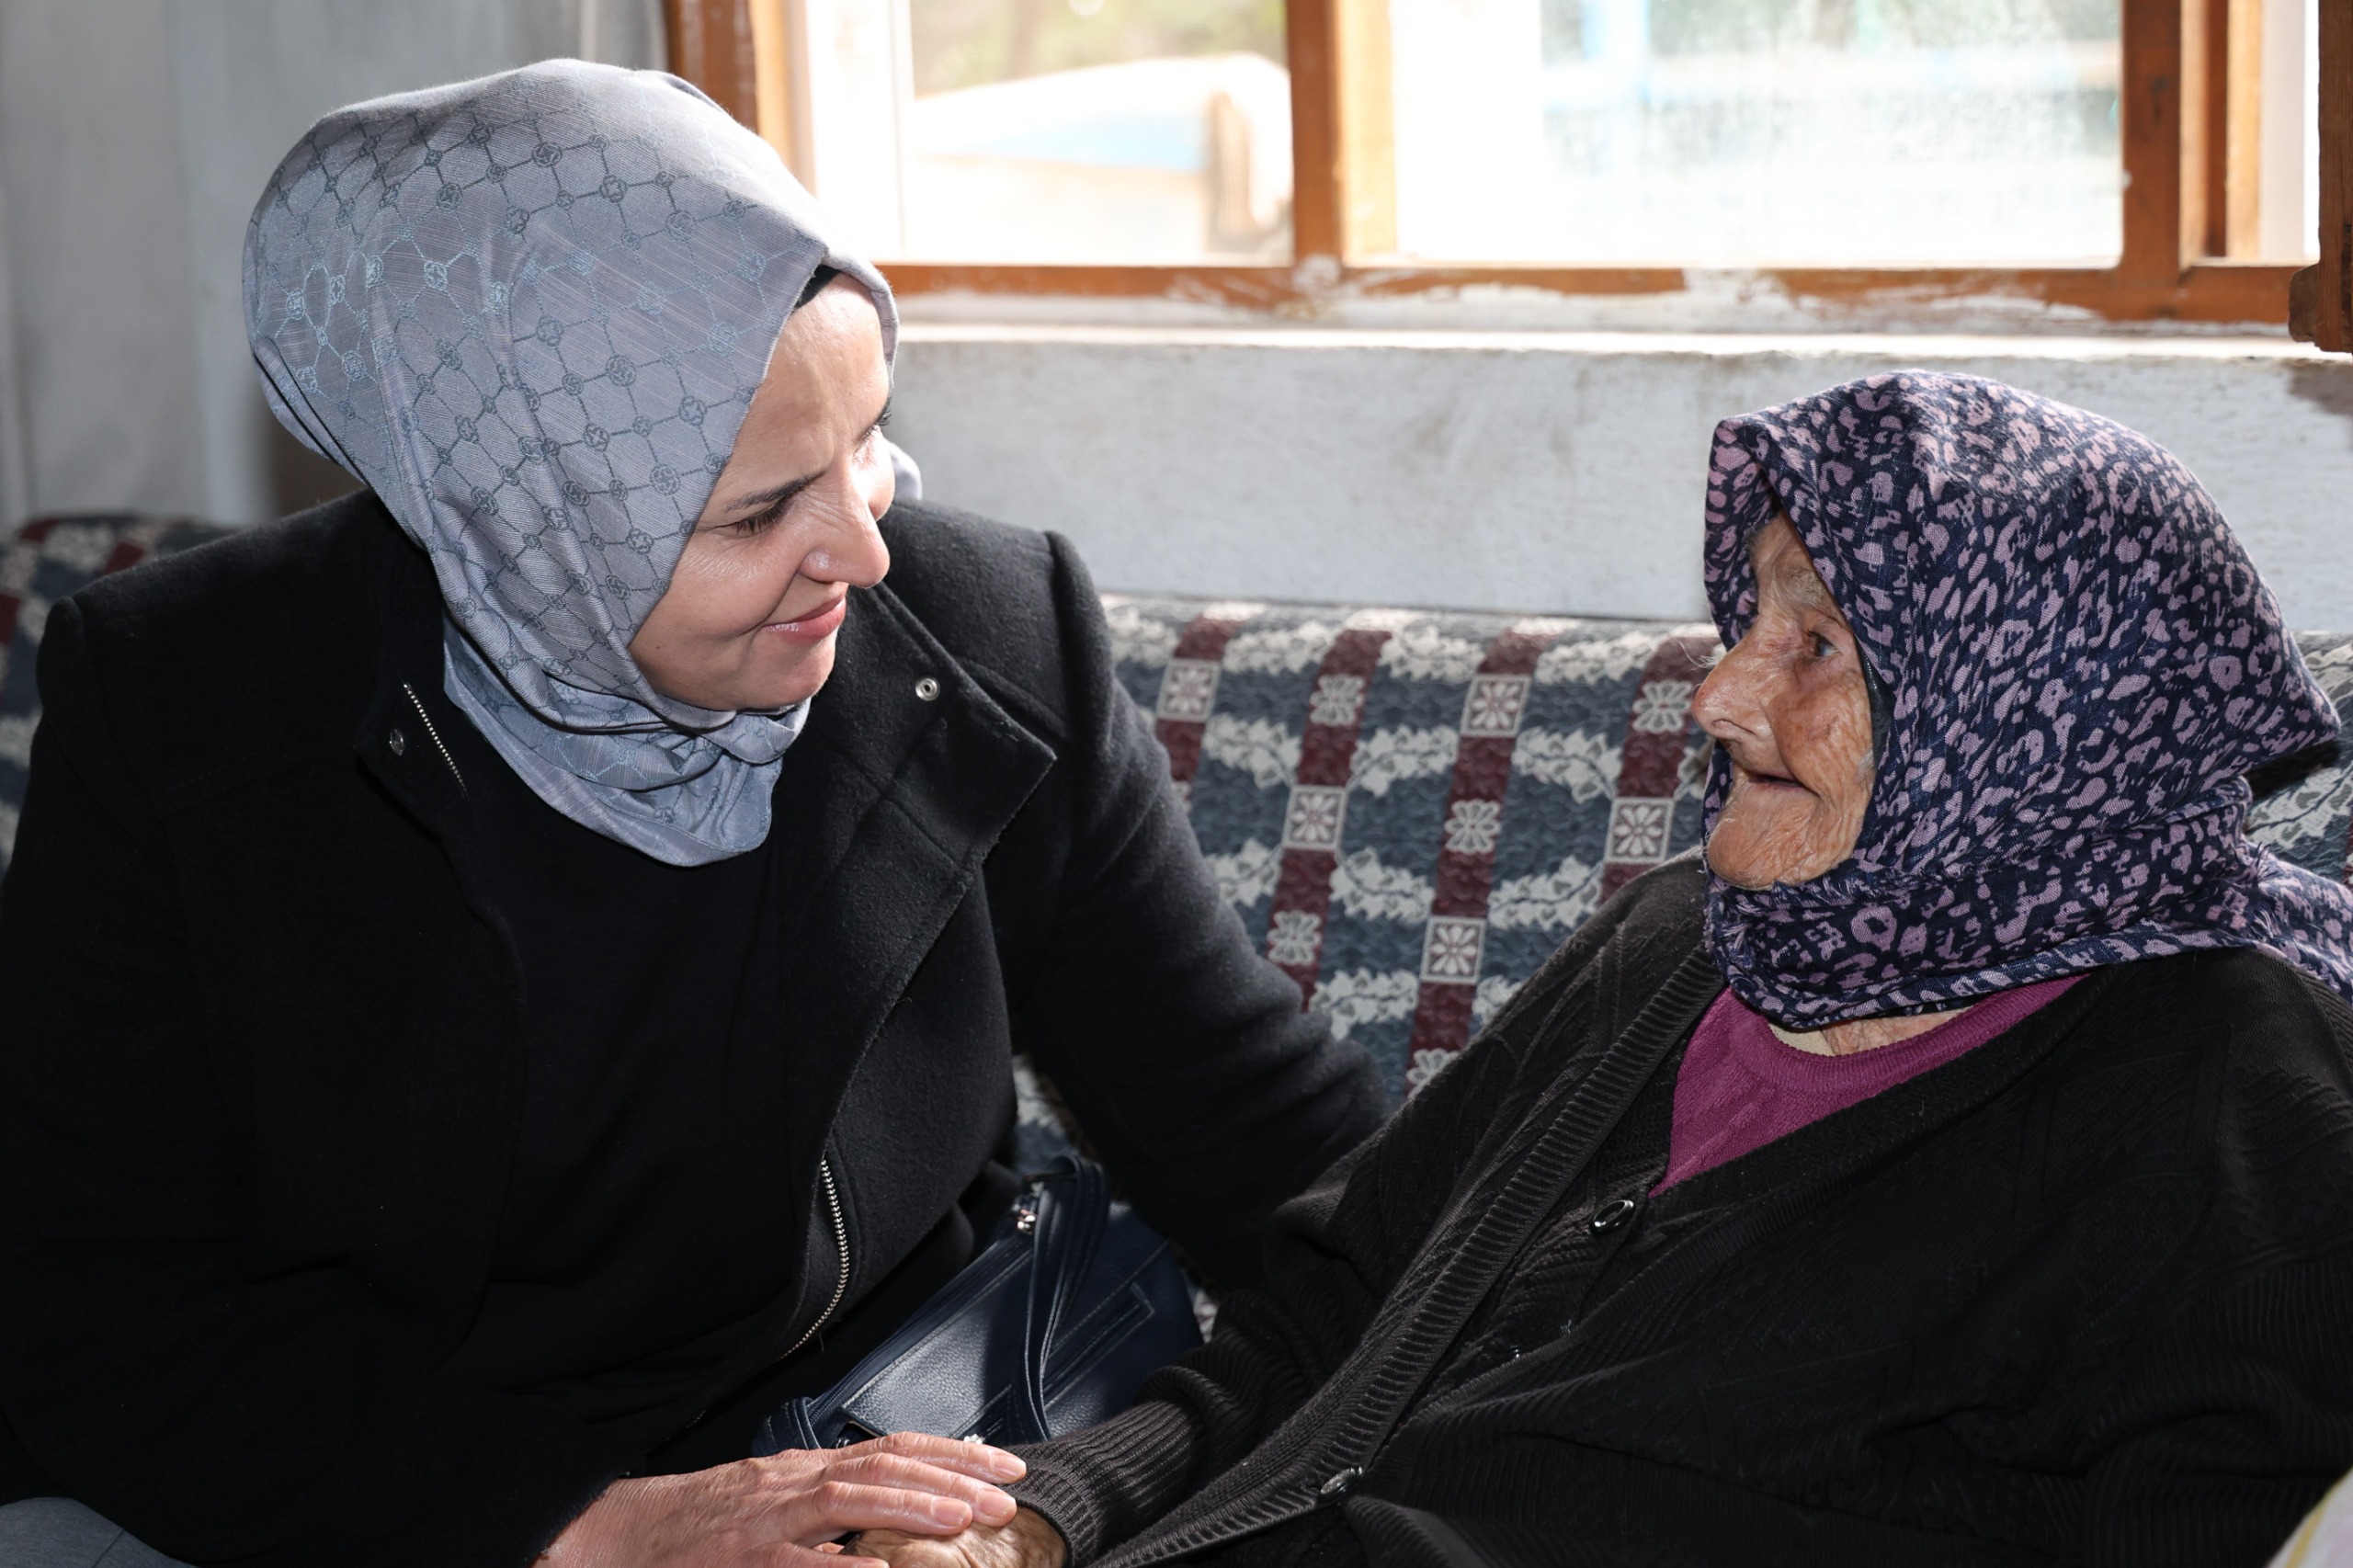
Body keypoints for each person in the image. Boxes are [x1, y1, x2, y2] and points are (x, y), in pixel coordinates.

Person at [0, 62, 1384, 1568]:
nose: (864, 549)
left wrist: (1064, 1503)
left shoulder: (986, 637)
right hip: (369, 1489)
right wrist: (578, 1530)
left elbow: (1295, 1165)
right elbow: (83, 1303)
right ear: (514, 522)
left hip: (870, 1457)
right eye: (756, 511)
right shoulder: (186, 709)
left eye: (866, 437)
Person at [858, 372, 2353, 1568]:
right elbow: (1316, 1323)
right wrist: (1033, 1517)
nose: (1722, 695)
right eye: (1750, 621)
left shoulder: (2231, 1096)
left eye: (1818, 645)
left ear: (2032, 717)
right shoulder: (1686, 937)